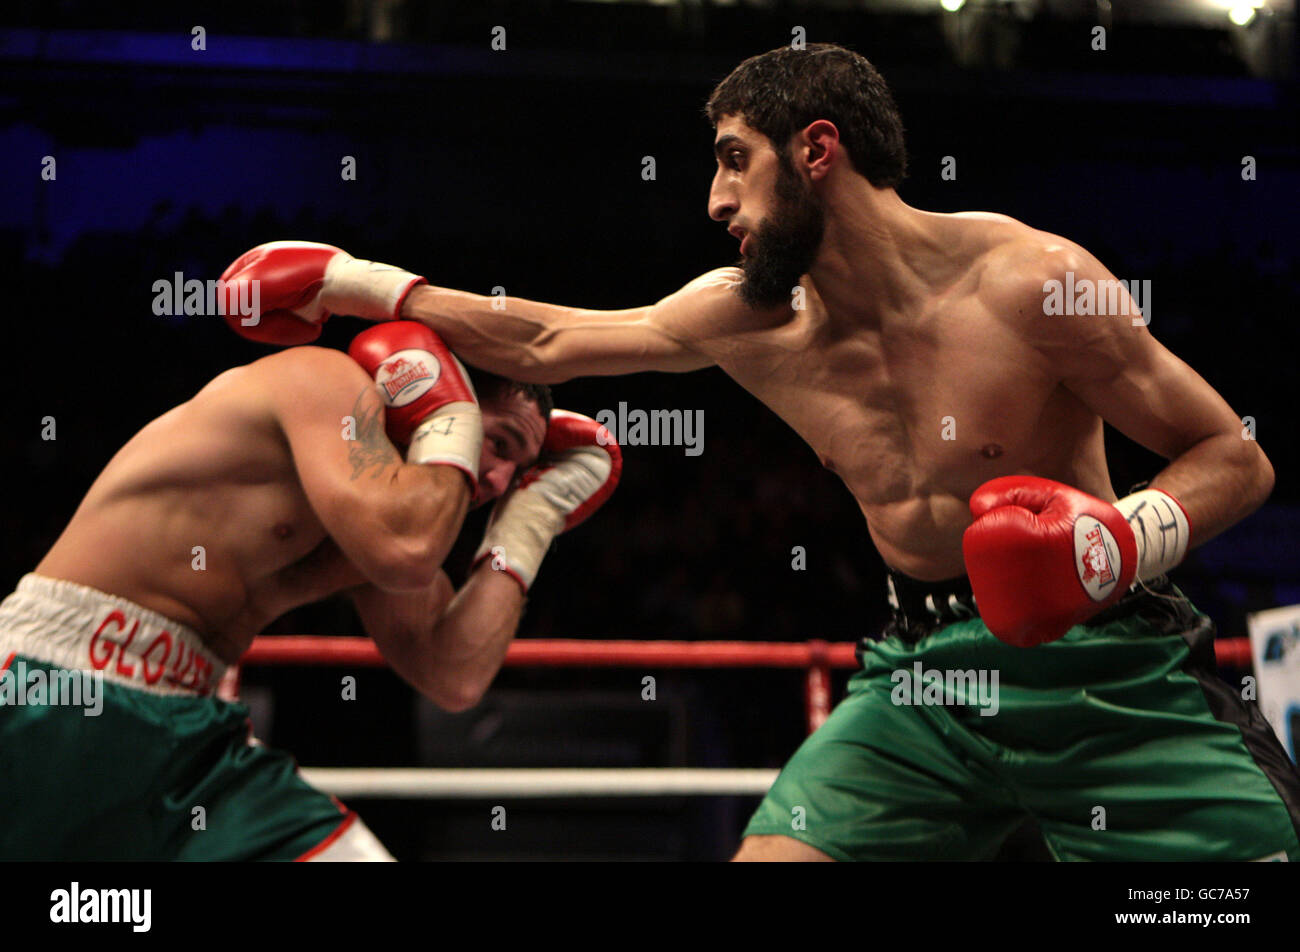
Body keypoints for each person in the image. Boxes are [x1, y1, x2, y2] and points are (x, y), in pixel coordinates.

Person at [220, 44, 1300, 862]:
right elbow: (549, 339)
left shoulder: (1030, 283)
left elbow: (1231, 456)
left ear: (816, 149)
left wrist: (1116, 539)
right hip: (922, 675)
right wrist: (353, 281)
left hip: (1106, 667)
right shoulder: (746, 314)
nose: (714, 200)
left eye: (734, 161)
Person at [0, 319, 621, 860]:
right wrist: (446, 420)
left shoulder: (384, 518)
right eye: (501, 444)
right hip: (59, 681)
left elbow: (451, 672)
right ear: (442, 393)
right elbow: (407, 551)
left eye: (520, 471)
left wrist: (532, 515)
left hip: (192, 728)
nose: (502, 477)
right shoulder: (324, 384)